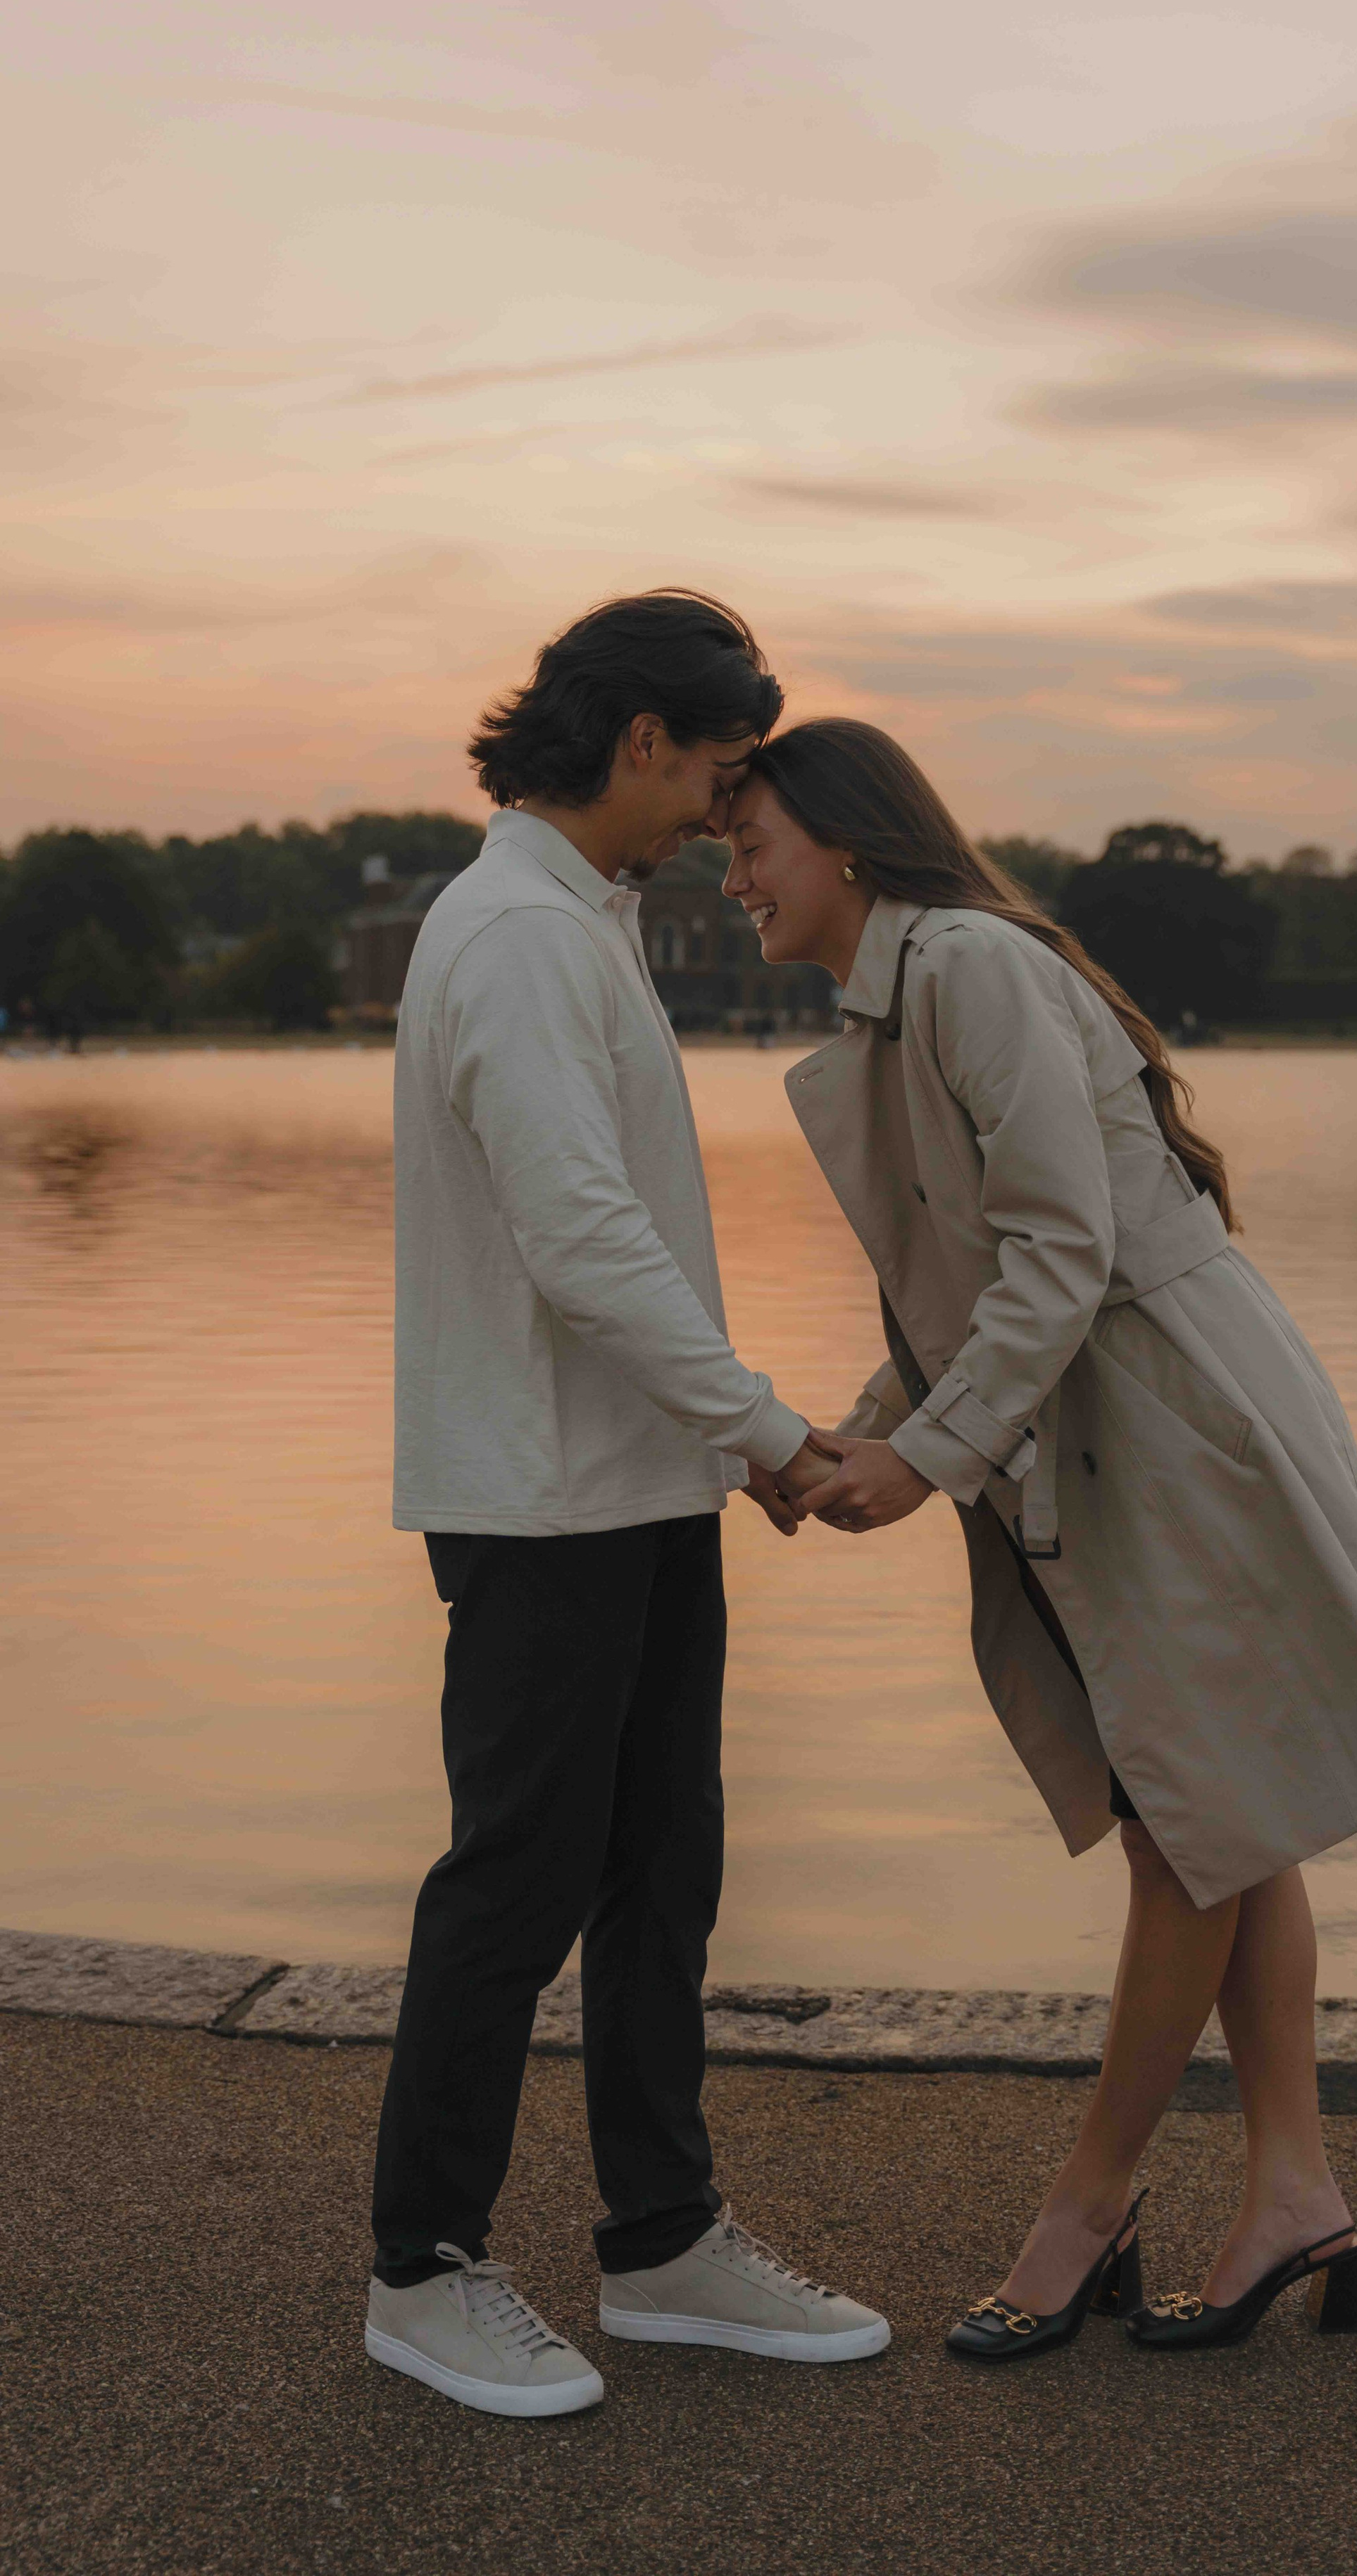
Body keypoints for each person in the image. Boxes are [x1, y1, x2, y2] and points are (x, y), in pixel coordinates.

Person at [720, 718, 1357, 2363]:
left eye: (752, 840)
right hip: (1133, 1406)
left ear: (843, 842)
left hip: (1169, 1420)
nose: (736, 877)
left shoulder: (964, 970)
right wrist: (870, 1434)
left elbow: (1057, 1253)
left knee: (1181, 1821)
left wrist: (923, 1462)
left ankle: (1089, 2204)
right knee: (1218, 1808)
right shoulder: (915, 988)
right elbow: (975, 1280)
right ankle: (1292, 2193)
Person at [366, 597, 891, 2420]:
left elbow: (621, 1236)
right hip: (536, 1500)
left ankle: (663, 2244)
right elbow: (576, 1235)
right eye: (721, 773)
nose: (720, 817)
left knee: (664, 1871)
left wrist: (714, 1446)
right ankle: (421, 2273)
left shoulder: (573, 923)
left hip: (636, 1488)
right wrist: (763, 1428)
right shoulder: (510, 933)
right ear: (646, 739)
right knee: (515, 1886)